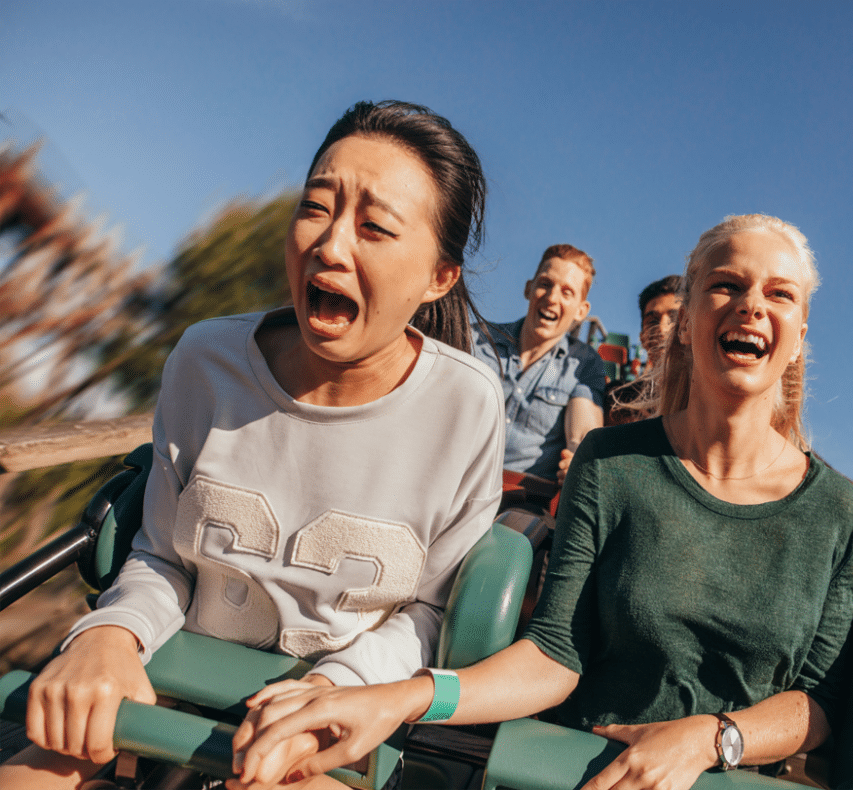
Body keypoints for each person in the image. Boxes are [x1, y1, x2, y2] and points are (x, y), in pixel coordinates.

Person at [229, 214, 853, 790]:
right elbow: (557, 653)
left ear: (799, 330)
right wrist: (399, 698)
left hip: (724, 774)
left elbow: (817, 701)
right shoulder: (615, 465)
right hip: (578, 769)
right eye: (727, 285)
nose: (752, 306)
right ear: (691, 312)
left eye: (779, 293)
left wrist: (710, 738)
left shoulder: (834, 509)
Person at [0, 100, 504, 790]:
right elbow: (161, 556)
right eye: (316, 208)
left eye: (376, 227)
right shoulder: (204, 360)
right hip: (166, 690)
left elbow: (430, 611)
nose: (330, 246)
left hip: (331, 724)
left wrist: (339, 686)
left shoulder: (467, 406)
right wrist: (108, 635)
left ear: (438, 278)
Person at [471, 245, 605, 484]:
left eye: (567, 292)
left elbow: (582, 434)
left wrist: (577, 457)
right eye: (545, 284)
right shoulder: (476, 339)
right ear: (528, 288)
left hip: (521, 502)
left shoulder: (583, 363)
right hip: (451, 482)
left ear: (581, 311)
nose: (552, 298)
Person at [606, 274, 682, 424]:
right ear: (642, 338)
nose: (662, 329)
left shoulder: (715, 399)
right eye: (652, 321)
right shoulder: (618, 399)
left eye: (674, 318)